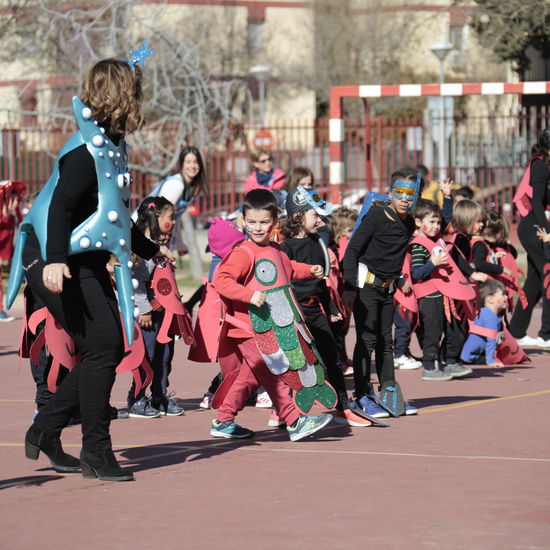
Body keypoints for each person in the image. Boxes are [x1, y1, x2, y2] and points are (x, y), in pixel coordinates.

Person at [14, 54, 175, 482]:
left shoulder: (109, 146)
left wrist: (148, 249)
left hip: (77, 261)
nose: (140, 97)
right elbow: (62, 207)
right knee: (105, 345)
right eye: (135, 90)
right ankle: (95, 451)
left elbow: (113, 217)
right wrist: (54, 263)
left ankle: (47, 430)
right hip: (52, 260)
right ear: (122, 96)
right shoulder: (87, 151)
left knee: (106, 347)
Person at [212, 188, 333, 441]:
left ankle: (223, 420)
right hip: (249, 329)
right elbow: (221, 280)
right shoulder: (243, 253)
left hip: (270, 327)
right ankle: (294, 421)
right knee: (274, 371)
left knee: (250, 376)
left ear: (274, 222)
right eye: (252, 222)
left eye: (264, 222)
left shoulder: (276, 250)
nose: (257, 228)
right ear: (243, 220)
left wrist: (308, 270)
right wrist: (249, 295)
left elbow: (287, 269)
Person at [280, 187, 375, 427]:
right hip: (293, 311)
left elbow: (321, 283)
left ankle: (343, 408)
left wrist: (331, 307)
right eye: (316, 216)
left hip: (314, 309)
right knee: (294, 363)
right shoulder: (284, 247)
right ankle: (282, 410)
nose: (321, 221)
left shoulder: (317, 243)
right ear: (298, 217)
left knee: (332, 359)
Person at [342, 167, 423, 418]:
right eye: (399, 193)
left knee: (385, 343)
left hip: (387, 290)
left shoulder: (409, 222)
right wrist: (349, 287)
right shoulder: (375, 217)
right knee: (366, 340)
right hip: (365, 287)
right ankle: (362, 395)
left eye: (411, 194)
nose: (405, 199)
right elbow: (352, 251)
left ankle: (389, 393)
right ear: (390, 193)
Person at [128, 196, 184, 418]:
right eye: (171, 217)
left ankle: (159, 396)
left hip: (163, 314)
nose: (175, 222)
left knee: (164, 356)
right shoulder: (143, 247)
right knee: (147, 356)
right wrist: (144, 310)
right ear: (157, 216)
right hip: (148, 316)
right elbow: (137, 282)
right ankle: (137, 398)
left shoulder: (162, 246)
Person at [409, 199, 473, 381]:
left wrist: (447, 196)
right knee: (433, 333)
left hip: (446, 295)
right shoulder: (419, 245)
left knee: (456, 329)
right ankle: (429, 367)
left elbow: (446, 216)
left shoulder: (436, 239)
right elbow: (416, 273)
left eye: (438, 223)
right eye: (432, 222)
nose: (437, 226)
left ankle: (450, 362)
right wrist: (433, 264)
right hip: (430, 298)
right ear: (419, 222)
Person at [510, 128, 550, 347]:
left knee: (535, 280)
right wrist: (547, 233)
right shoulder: (540, 166)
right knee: (548, 276)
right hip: (534, 228)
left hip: (539, 226)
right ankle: (546, 335)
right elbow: (536, 202)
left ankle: (515, 330)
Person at [461, 279, 508, 368]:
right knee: (502, 360)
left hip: (468, 354)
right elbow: (491, 339)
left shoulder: (486, 312)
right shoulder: (490, 316)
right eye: (503, 295)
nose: (506, 297)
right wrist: (491, 361)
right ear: (490, 299)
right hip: (470, 357)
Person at [0, 180, 26, 321]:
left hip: (5, 256)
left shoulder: (12, 218)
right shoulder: (2, 218)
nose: (17, 202)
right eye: (13, 199)